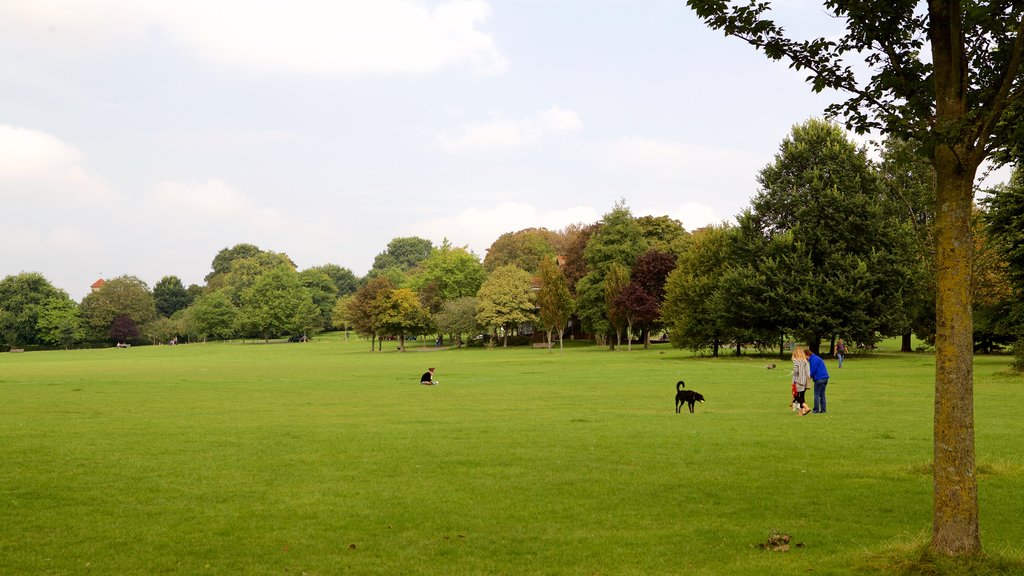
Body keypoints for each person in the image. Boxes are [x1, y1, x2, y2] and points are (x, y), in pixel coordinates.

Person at [804, 348, 830, 413]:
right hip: (825, 377)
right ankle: (823, 410)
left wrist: (807, 377)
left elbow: (812, 371)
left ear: (807, 355)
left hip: (819, 378)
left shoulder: (813, 360)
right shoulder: (816, 358)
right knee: (822, 394)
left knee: (816, 394)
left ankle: (816, 410)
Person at [791, 346, 811, 415]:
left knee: (795, 395)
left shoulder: (795, 360)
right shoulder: (805, 360)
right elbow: (808, 372)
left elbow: (796, 371)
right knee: (802, 396)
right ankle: (800, 413)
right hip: (804, 380)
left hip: (797, 380)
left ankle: (806, 407)